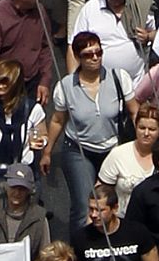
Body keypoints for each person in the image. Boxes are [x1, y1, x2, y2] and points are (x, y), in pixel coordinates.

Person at [44, 31, 137, 222]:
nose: (95, 57)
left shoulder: (119, 77)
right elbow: (58, 120)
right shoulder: (66, 86)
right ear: (78, 57)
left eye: (98, 52)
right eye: (88, 54)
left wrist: (139, 146)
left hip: (113, 148)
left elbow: (135, 111)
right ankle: (81, 249)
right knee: (83, 206)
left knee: (114, 204)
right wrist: (47, 151)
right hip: (79, 150)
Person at [0, 59, 47, 203]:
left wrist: (41, 142)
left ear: (15, 82)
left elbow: (43, 134)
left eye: (4, 81)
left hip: (23, 171)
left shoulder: (32, 108)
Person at [0, 0, 53, 108]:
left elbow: (45, 47)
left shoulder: (40, 11)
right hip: (7, 87)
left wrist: (45, 80)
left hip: (33, 83)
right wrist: (1, 93)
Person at [97, 102, 159, 215]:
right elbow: (101, 191)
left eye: (152, 129)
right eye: (142, 128)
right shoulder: (118, 154)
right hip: (124, 220)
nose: (146, 133)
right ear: (135, 127)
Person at [0, 163, 51, 255]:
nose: (17, 193)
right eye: (13, 187)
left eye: (22, 189)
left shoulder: (39, 218)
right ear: (5, 186)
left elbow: (45, 256)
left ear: (30, 191)